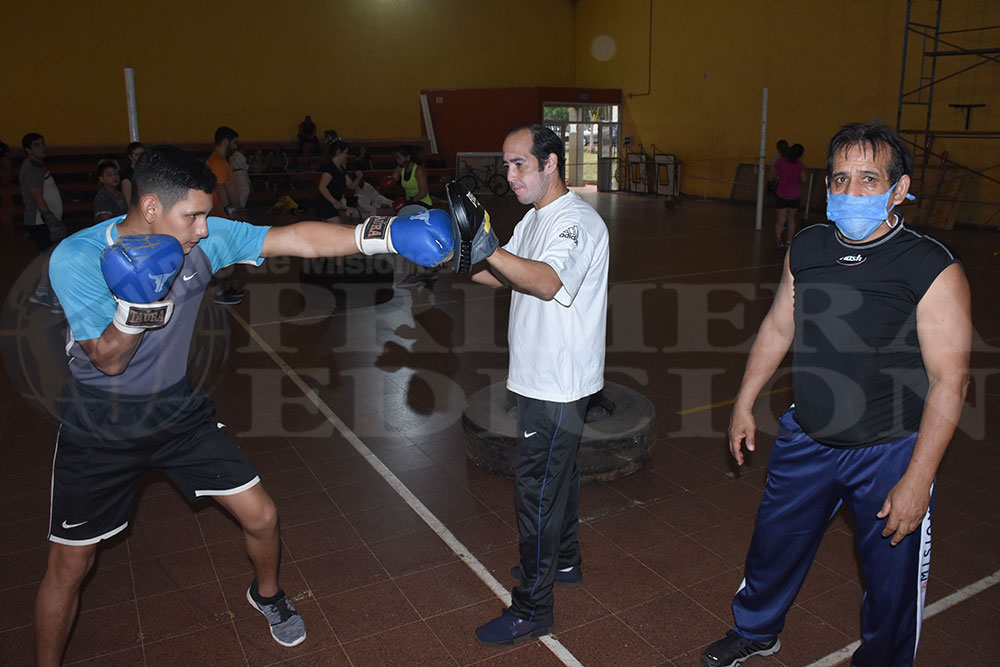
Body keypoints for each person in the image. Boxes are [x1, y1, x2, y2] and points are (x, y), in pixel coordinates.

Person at [36, 144, 453, 667]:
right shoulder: (78, 258)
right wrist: (135, 306)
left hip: (176, 410)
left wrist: (386, 233)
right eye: (193, 216)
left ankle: (268, 596)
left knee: (262, 516)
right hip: (101, 423)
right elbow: (109, 360)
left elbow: (295, 236)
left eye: (206, 215)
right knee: (69, 567)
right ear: (149, 208)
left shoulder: (202, 239)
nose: (204, 229)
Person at [700, 123, 971, 667]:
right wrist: (744, 401)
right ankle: (756, 631)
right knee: (773, 547)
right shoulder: (809, 245)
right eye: (841, 179)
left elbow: (950, 380)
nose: (850, 192)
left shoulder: (930, 266)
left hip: (890, 450)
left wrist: (918, 478)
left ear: (899, 190)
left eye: (869, 179)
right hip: (809, 436)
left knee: (891, 583)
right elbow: (780, 325)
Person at [466, 124, 609, 646]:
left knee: (538, 491)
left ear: (551, 163)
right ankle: (565, 561)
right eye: (505, 165)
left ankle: (533, 607)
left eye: (519, 163)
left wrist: (487, 249)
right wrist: (451, 256)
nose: (509, 176)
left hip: (557, 384)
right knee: (560, 478)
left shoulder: (578, 222)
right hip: (539, 377)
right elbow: (501, 272)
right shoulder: (535, 218)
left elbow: (546, 281)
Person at [19, 132, 65, 312]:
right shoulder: (31, 167)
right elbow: (36, 196)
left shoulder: (38, 166)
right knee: (54, 258)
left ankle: (41, 292)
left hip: (42, 221)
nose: (42, 147)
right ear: (28, 150)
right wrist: (49, 219)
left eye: (43, 144)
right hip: (40, 222)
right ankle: (54, 298)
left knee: (50, 256)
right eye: (37, 145)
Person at [206, 126, 245, 305]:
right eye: (234, 142)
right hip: (221, 216)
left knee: (226, 256)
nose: (235, 146)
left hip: (224, 216)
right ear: (225, 141)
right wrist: (231, 211)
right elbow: (221, 188)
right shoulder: (217, 162)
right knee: (221, 256)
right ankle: (220, 291)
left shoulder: (221, 161)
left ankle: (226, 287)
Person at [389, 145, 436, 288]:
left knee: (412, 239)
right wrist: (388, 181)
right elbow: (393, 178)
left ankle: (413, 275)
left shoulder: (419, 170)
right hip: (409, 206)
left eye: (400, 157)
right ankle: (430, 268)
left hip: (422, 205)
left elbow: (423, 192)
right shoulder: (401, 168)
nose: (397, 161)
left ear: (408, 157)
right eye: (396, 158)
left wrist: (408, 201)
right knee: (415, 240)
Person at [315, 139, 358, 222]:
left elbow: (351, 186)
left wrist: (358, 178)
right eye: (345, 153)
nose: (347, 156)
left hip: (335, 204)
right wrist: (334, 201)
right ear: (338, 152)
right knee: (337, 228)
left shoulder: (341, 169)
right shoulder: (329, 168)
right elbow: (322, 187)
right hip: (326, 204)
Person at [772, 142, 806, 247]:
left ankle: (778, 239)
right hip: (794, 196)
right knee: (791, 219)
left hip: (781, 194)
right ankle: (789, 241)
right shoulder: (800, 165)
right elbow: (804, 180)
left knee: (780, 220)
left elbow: (773, 176)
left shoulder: (780, 162)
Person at [119, 142, 144, 207]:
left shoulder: (148, 171)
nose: (140, 157)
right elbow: (128, 202)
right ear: (130, 156)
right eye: (136, 155)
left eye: (142, 154)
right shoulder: (127, 176)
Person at [229, 142, 251, 209]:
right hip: (241, 174)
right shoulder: (239, 156)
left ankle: (238, 206)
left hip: (234, 174)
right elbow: (244, 166)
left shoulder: (232, 156)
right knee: (245, 190)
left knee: (238, 191)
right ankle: (241, 206)